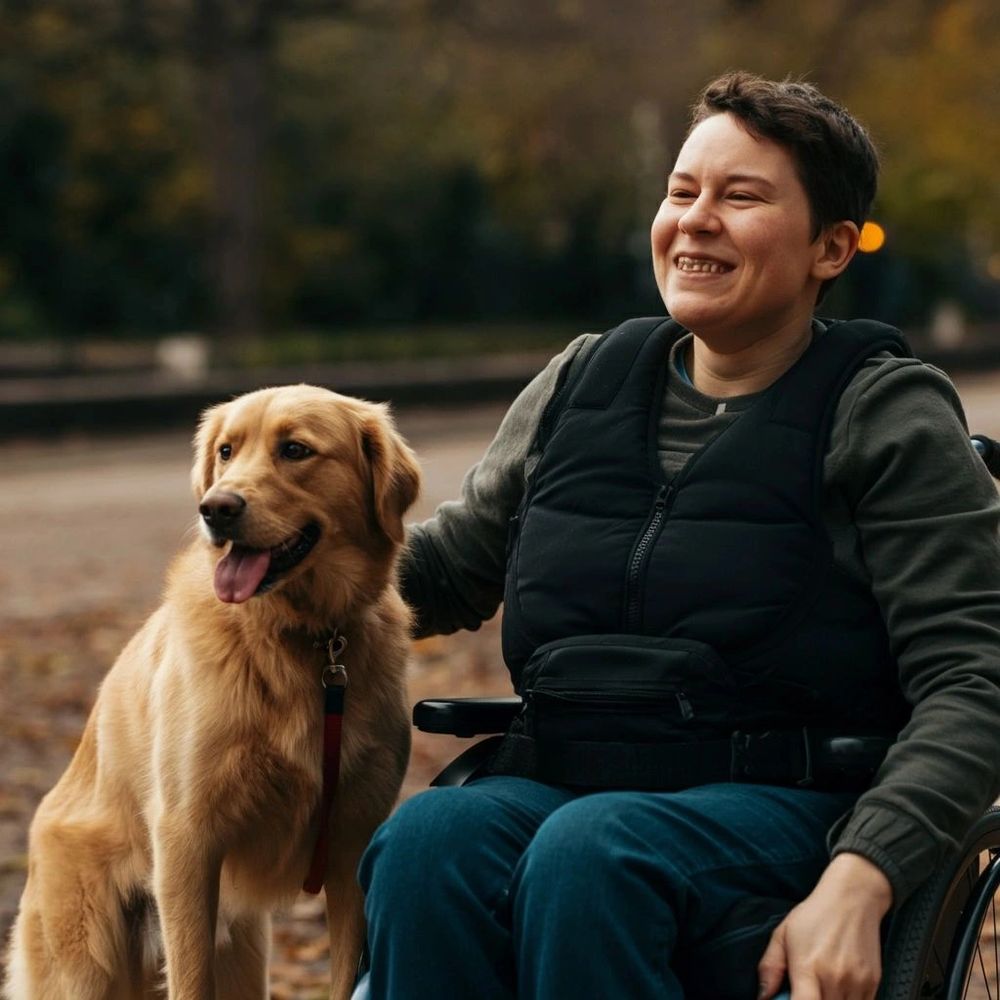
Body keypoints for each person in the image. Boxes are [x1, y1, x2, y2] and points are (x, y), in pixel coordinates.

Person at [356, 71, 1000, 1000]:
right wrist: (285, 570)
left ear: (831, 247)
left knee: (595, 852)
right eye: (681, 191)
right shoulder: (582, 380)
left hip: (790, 804)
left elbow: (973, 679)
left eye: (740, 197)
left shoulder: (885, 413)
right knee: (428, 842)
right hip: (564, 776)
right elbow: (442, 572)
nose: (696, 219)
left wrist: (865, 877)